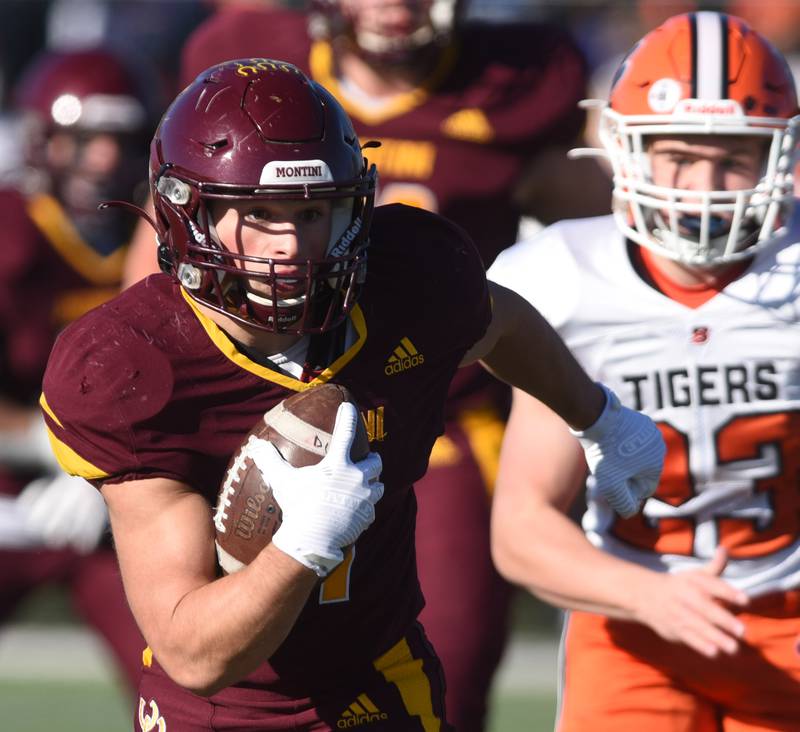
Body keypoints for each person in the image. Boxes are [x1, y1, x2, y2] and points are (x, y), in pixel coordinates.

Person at [39, 59, 663, 731]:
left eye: (312, 211)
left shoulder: (407, 277)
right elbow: (193, 651)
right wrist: (303, 544)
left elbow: (500, 321)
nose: (290, 246)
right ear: (190, 214)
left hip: (375, 678)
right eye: (257, 214)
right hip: (216, 708)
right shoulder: (132, 367)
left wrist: (597, 417)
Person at [488, 11, 800, 731]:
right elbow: (523, 527)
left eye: (732, 159)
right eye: (679, 157)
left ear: (776, 159)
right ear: (625, 152)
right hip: (632, 621)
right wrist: (647, 595)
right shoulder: (565, 281)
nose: (703, 186)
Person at [0, 47, 156, 692]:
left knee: (182, 670)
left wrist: (108, 478)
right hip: (14, 486)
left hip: (120, 491)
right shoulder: (13, 230)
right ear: (42, 142)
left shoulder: (160, 235)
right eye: (81, 140)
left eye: (116, 141)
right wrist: (48, 445)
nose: (101, 160)